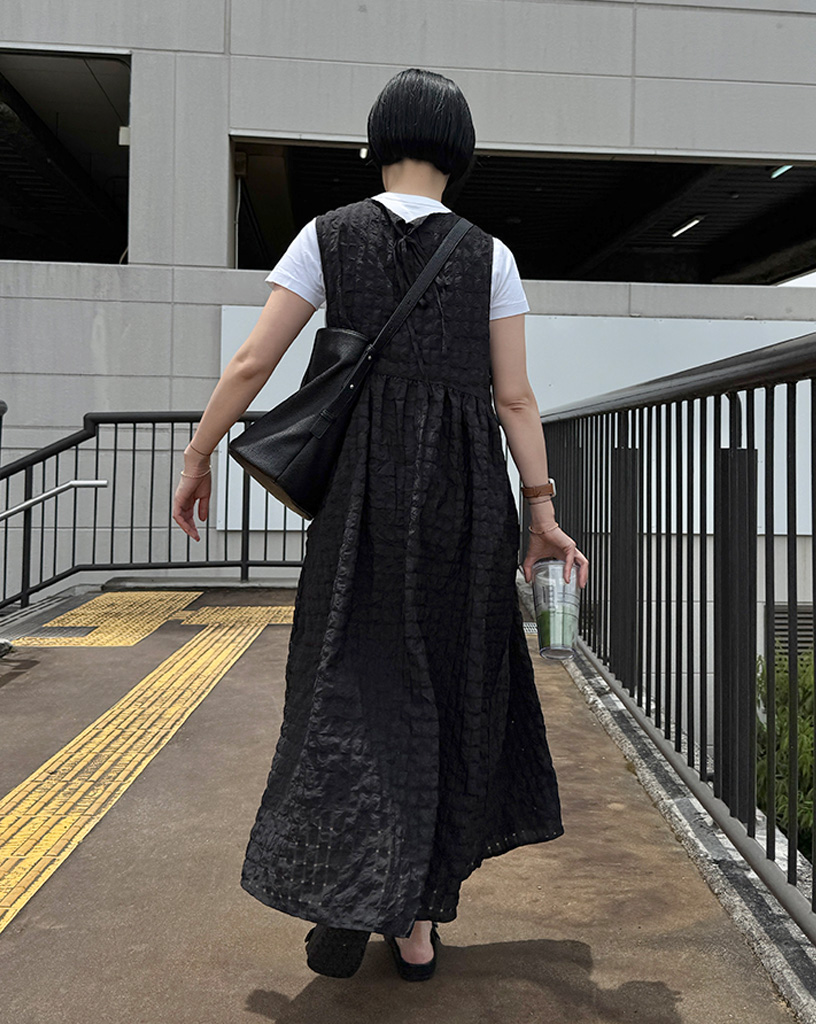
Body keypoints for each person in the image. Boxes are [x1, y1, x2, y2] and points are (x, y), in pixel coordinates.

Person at [172, 67, 589, 982]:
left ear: (377, 140)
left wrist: (200, 455)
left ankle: (348, 889)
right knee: (447, 693)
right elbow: (515, 398)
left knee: (348, 685)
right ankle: (413, 920)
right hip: (463, 503)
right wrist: (542, 514)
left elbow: (252, 363)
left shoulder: (328, 235)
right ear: (461, 152)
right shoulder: (489, 255)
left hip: (363, 500)